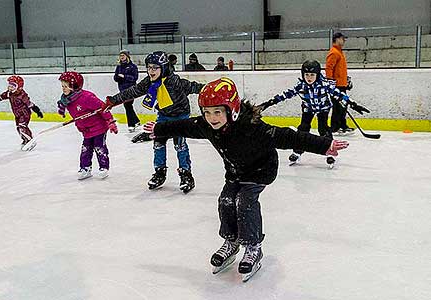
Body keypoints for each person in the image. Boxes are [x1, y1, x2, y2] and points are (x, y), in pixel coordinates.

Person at [141, 77, 349, 281]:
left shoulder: (253, 127)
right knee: (226, 200)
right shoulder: (206, 125)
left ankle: (253, 246)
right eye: (207, 112)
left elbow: (288, 136)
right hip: (235, 172)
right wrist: (159, 129)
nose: (212, 118)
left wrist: (324, 146)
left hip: (260, 171)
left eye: (217, 112)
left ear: (231, 110)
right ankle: (231, 242)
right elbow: (184, 126)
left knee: (245, 201)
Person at [103, 51, 204, 193]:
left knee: (180, 145)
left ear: (163, 67)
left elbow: (193, 87)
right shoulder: (150, 82)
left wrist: (210, 89)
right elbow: (133, 91)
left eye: (155, 68)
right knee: (158, 143)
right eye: (149, 67)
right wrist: (113, 100)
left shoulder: (174, 81)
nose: (151, 71)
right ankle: (159, 172)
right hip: (163, 115)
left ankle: (186, 174)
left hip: (180, 116)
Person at [267, 60, 350, 168]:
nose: (309, 77)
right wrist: (272, 101)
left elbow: (337, 93)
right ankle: (298, 151)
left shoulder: (324, 84)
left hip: (323, 108)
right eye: (306, 74)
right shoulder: (301, 86)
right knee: (303, 128)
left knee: (323, 129)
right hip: (308, 108)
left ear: (318, 74)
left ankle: (330, 151)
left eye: (312, 74)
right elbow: (287, 94)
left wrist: (351, 102)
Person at [57, 71, 118, 180]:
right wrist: (61, 109)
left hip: (99, 127)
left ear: (75, 86)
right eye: (62, 86)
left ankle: (103, 167)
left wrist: (110, 121)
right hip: (86, 130)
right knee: (86, 149)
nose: (63, 88)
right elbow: (63, 105)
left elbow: (103, 108)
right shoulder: (67, 99)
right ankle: (85, 168)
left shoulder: (86, 97)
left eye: (66, 86)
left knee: (99, 147)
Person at [0, 75, 44, 150]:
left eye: (13, 86)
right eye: (9, 86)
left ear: (19, 87)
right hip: (17, 114)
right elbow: (1, 97)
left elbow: (29, 104)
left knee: (22, 126)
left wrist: (37, 111)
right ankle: (25, 140)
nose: (10, 88)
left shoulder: (22, 95)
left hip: (24, 113)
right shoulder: (9, 93)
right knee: (18, 128)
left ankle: (30, 140)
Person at [326, 32, 354, 134]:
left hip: (342, 84)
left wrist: (346, 79)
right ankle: (335, 127)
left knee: (343, 106)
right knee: (338, 107)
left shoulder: (340, 52)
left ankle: (342, 125)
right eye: (342, 38)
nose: (344, 40)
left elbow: (339, 69)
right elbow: (329, 68)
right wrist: (330, 82)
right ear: (337, 39)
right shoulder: (334, 52)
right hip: (336, 85)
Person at [113, 49, 140, 132]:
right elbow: (115, 77)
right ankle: (136, 121)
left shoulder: (133, 67)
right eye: (120, 55)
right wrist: (118, 77)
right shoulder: (119, 67)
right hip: (122, 89)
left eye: (123, 55)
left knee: (128, 105)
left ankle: (131, 125)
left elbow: (135, 78)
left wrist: (124, 76)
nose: (121, 57)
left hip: (131, 89)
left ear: (127, 56)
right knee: (128, 106)